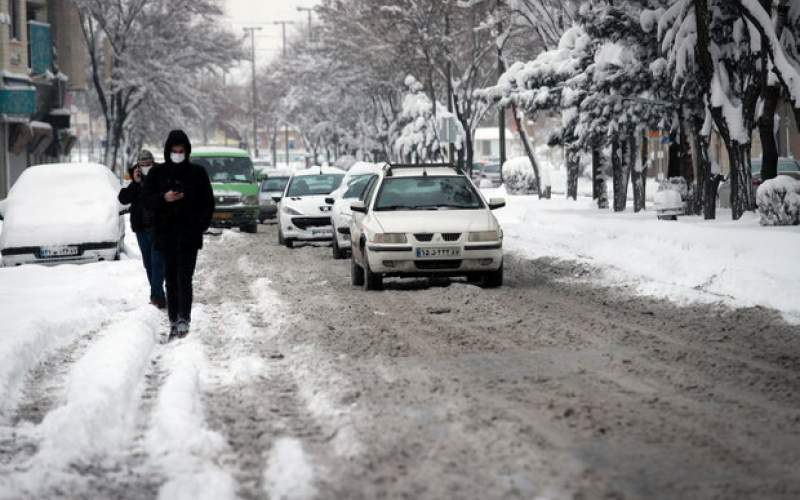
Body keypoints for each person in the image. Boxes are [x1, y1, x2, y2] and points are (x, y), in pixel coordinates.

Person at [143, 130, 215, 339]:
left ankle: (185, 318)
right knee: (170, 279)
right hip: (165, 235)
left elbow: (208, 202)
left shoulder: (197, 173)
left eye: (181, 151)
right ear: (167, 151)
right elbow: (146, 201)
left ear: (186, 151)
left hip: (189, 235)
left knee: (185, 278)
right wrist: (164, 198)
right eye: (174, 151)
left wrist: (200, 224)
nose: (177, 154)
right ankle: (174, 319)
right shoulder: (157, 174)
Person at [118, 150, 166, 309]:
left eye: (148, 164)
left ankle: (156, 297)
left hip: (158, 226)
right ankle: (159, 294)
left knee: (157, 261)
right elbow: (123, 198)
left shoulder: (160, 173)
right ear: (138, 164)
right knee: (149, 263)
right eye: (143, 164)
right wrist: (135, 182)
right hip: (140, 227)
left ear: (153, 162)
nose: (146, 166)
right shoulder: (132, 175)